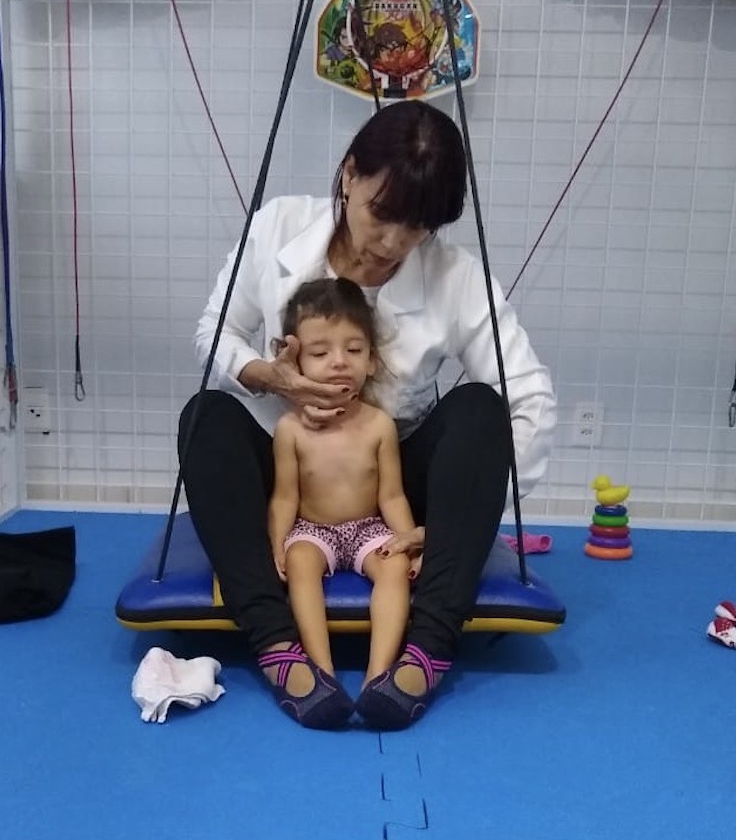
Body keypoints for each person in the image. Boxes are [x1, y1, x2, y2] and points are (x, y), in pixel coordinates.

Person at [179, 99, 556, 731]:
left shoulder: (455, 276)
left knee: (480, 409)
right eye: (382, 214)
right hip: (291, 471)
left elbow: (529, 393)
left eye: (418, 227)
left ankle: (427, 650)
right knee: (205, 418)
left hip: (390, 485)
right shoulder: (279, 227)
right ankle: (277, 644)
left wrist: (466, 519)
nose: (392, 243)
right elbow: (214, 334)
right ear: (349, 174)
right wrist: (267, 375)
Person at [268, 277, 421, 700]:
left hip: (369, 528)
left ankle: (378, 672)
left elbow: (392, 495)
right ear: (296, 363)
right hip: (313, 530)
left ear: (371, 360)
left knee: (393, 567)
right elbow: (285, 496)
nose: (339, 362)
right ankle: (322, 669)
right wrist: (278, 544)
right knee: (300, 562)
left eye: (353, 350)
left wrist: (408, 540)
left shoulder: (379, 425)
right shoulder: (290, 430)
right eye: (320, 353)